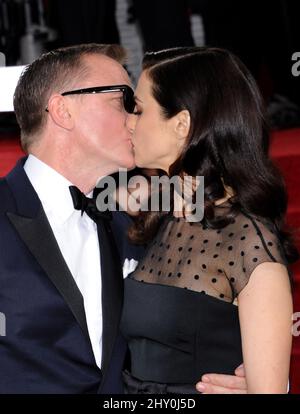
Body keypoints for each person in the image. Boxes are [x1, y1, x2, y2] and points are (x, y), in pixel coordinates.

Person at [0, 43, 247, 394]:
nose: (136, 120)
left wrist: (261, 384)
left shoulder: (145, 222)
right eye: (123, 101)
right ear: (62, 110)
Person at [121, 46, 298, 394]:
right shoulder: (164, 216)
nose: (128, 121)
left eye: (139, 110)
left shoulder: (248, 243)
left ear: (182, 125)